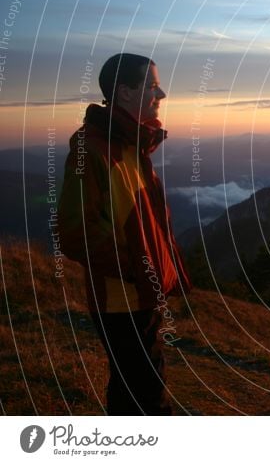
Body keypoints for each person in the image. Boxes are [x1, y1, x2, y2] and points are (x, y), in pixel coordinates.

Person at [58, 53, 192, 415]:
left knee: (130, 388)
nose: (160, 94)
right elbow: (75, 230)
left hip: (138, 296)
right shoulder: (93, 147)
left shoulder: (131, 144)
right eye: (151, 85)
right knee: (148, 395)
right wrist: (138, 269)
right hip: (122, 300)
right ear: (125, 92)